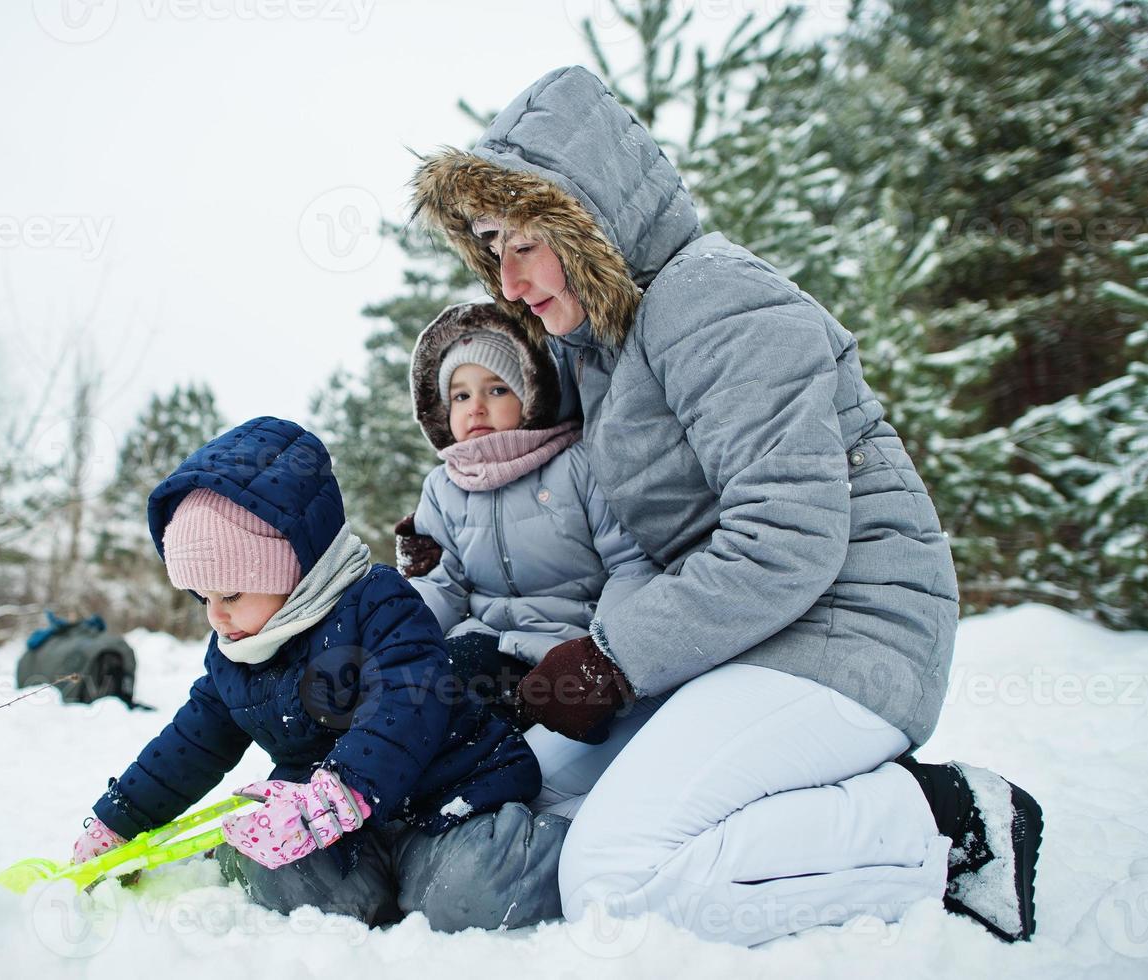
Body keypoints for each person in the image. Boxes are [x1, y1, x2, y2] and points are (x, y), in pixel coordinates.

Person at [407, 65, 1042, 945]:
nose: (507, 283)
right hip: (740, 643)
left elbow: (786, 535)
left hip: (849, 636)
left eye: (523, 244)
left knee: (615, 877)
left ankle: (940, 821)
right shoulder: (609, 347)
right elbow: (642, 550)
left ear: (584, 220)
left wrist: (611, 661)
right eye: (489, 248)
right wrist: (545, 659)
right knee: (530, 789)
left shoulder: (713, 299)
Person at [69, 416, 568, 932]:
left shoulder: (378, 605)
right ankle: (366, 885)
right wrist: (119, 819)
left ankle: (563, 848)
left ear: (290, 570)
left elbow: (407, 703)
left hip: (445, 799)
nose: (215, 616)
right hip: (327, 825)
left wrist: (342, 791)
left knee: (469, 893)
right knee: (286, 879)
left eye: (231, 594)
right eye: (203, 598)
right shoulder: (236, 652)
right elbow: (193, 742)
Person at [403, 300, 659, 729]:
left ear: (532, 392)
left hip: (567, 650)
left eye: (497, 389)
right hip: (487, 647)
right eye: (461, 395)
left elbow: (631, 566)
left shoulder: (577, 465)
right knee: (420, 682)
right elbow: (441, 585)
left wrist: (603, 653)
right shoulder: (445, 488)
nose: (476, 407)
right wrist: (397, 642)